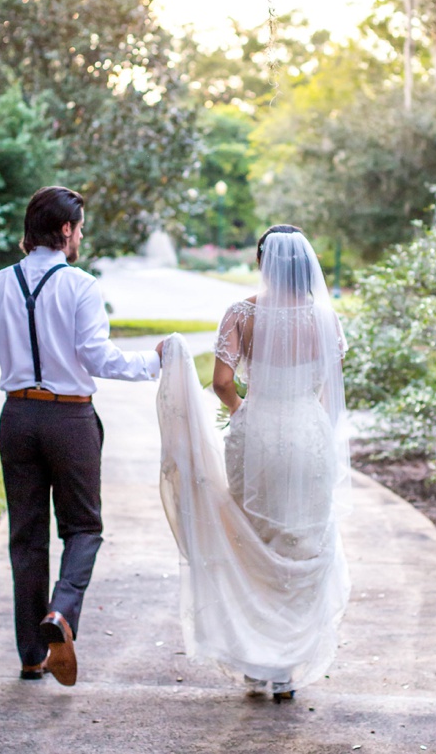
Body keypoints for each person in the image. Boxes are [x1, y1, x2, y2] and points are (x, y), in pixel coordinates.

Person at [0, 185, 164, 686]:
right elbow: (99, 359)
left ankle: (32, 656)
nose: (80, 236)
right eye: (79, 227)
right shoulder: (81, 286)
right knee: (83, 528)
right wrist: (155, 360)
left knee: (25, 538)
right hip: (70, 420)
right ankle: (61, 613)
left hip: (17, 418)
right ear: (66, 231)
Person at [157, 224, 351, 701]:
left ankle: (256, 660)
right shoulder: (325, 318)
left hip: (258, 433)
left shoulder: (242, 314)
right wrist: (311, 421)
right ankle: (286, 670)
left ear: (263, 262)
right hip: (309, 435)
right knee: (301, 540)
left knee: (254, 541)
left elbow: (222, 381)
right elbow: (331, 388)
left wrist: (243, 413)